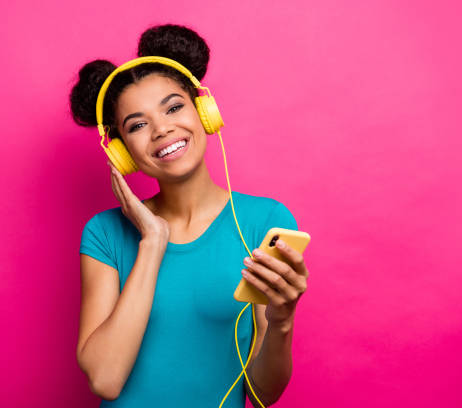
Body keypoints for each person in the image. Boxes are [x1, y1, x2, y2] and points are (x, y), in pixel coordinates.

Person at [69, 24, 310, 408]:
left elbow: (264, 394)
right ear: (121, 150)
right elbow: (105, 379)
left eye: (174, 107)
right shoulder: (104, 234)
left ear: (204, 112)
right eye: (138, 125)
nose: (162, 129)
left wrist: (282, 322)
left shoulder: (265, 221)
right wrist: (152, 241)